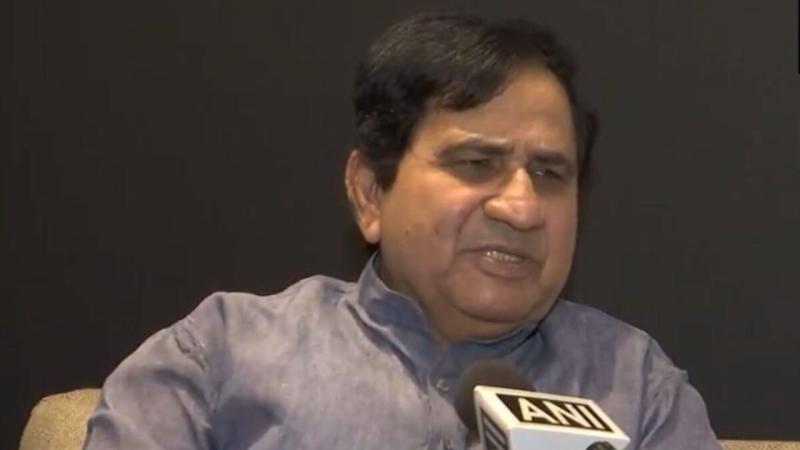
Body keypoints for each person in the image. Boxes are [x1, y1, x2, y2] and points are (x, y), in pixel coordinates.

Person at [83, 13, 722, 450]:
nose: (522, 208)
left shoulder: (639, 389)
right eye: (477, 163)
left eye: (550, 173)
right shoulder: (218, 358)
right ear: (370, 192)